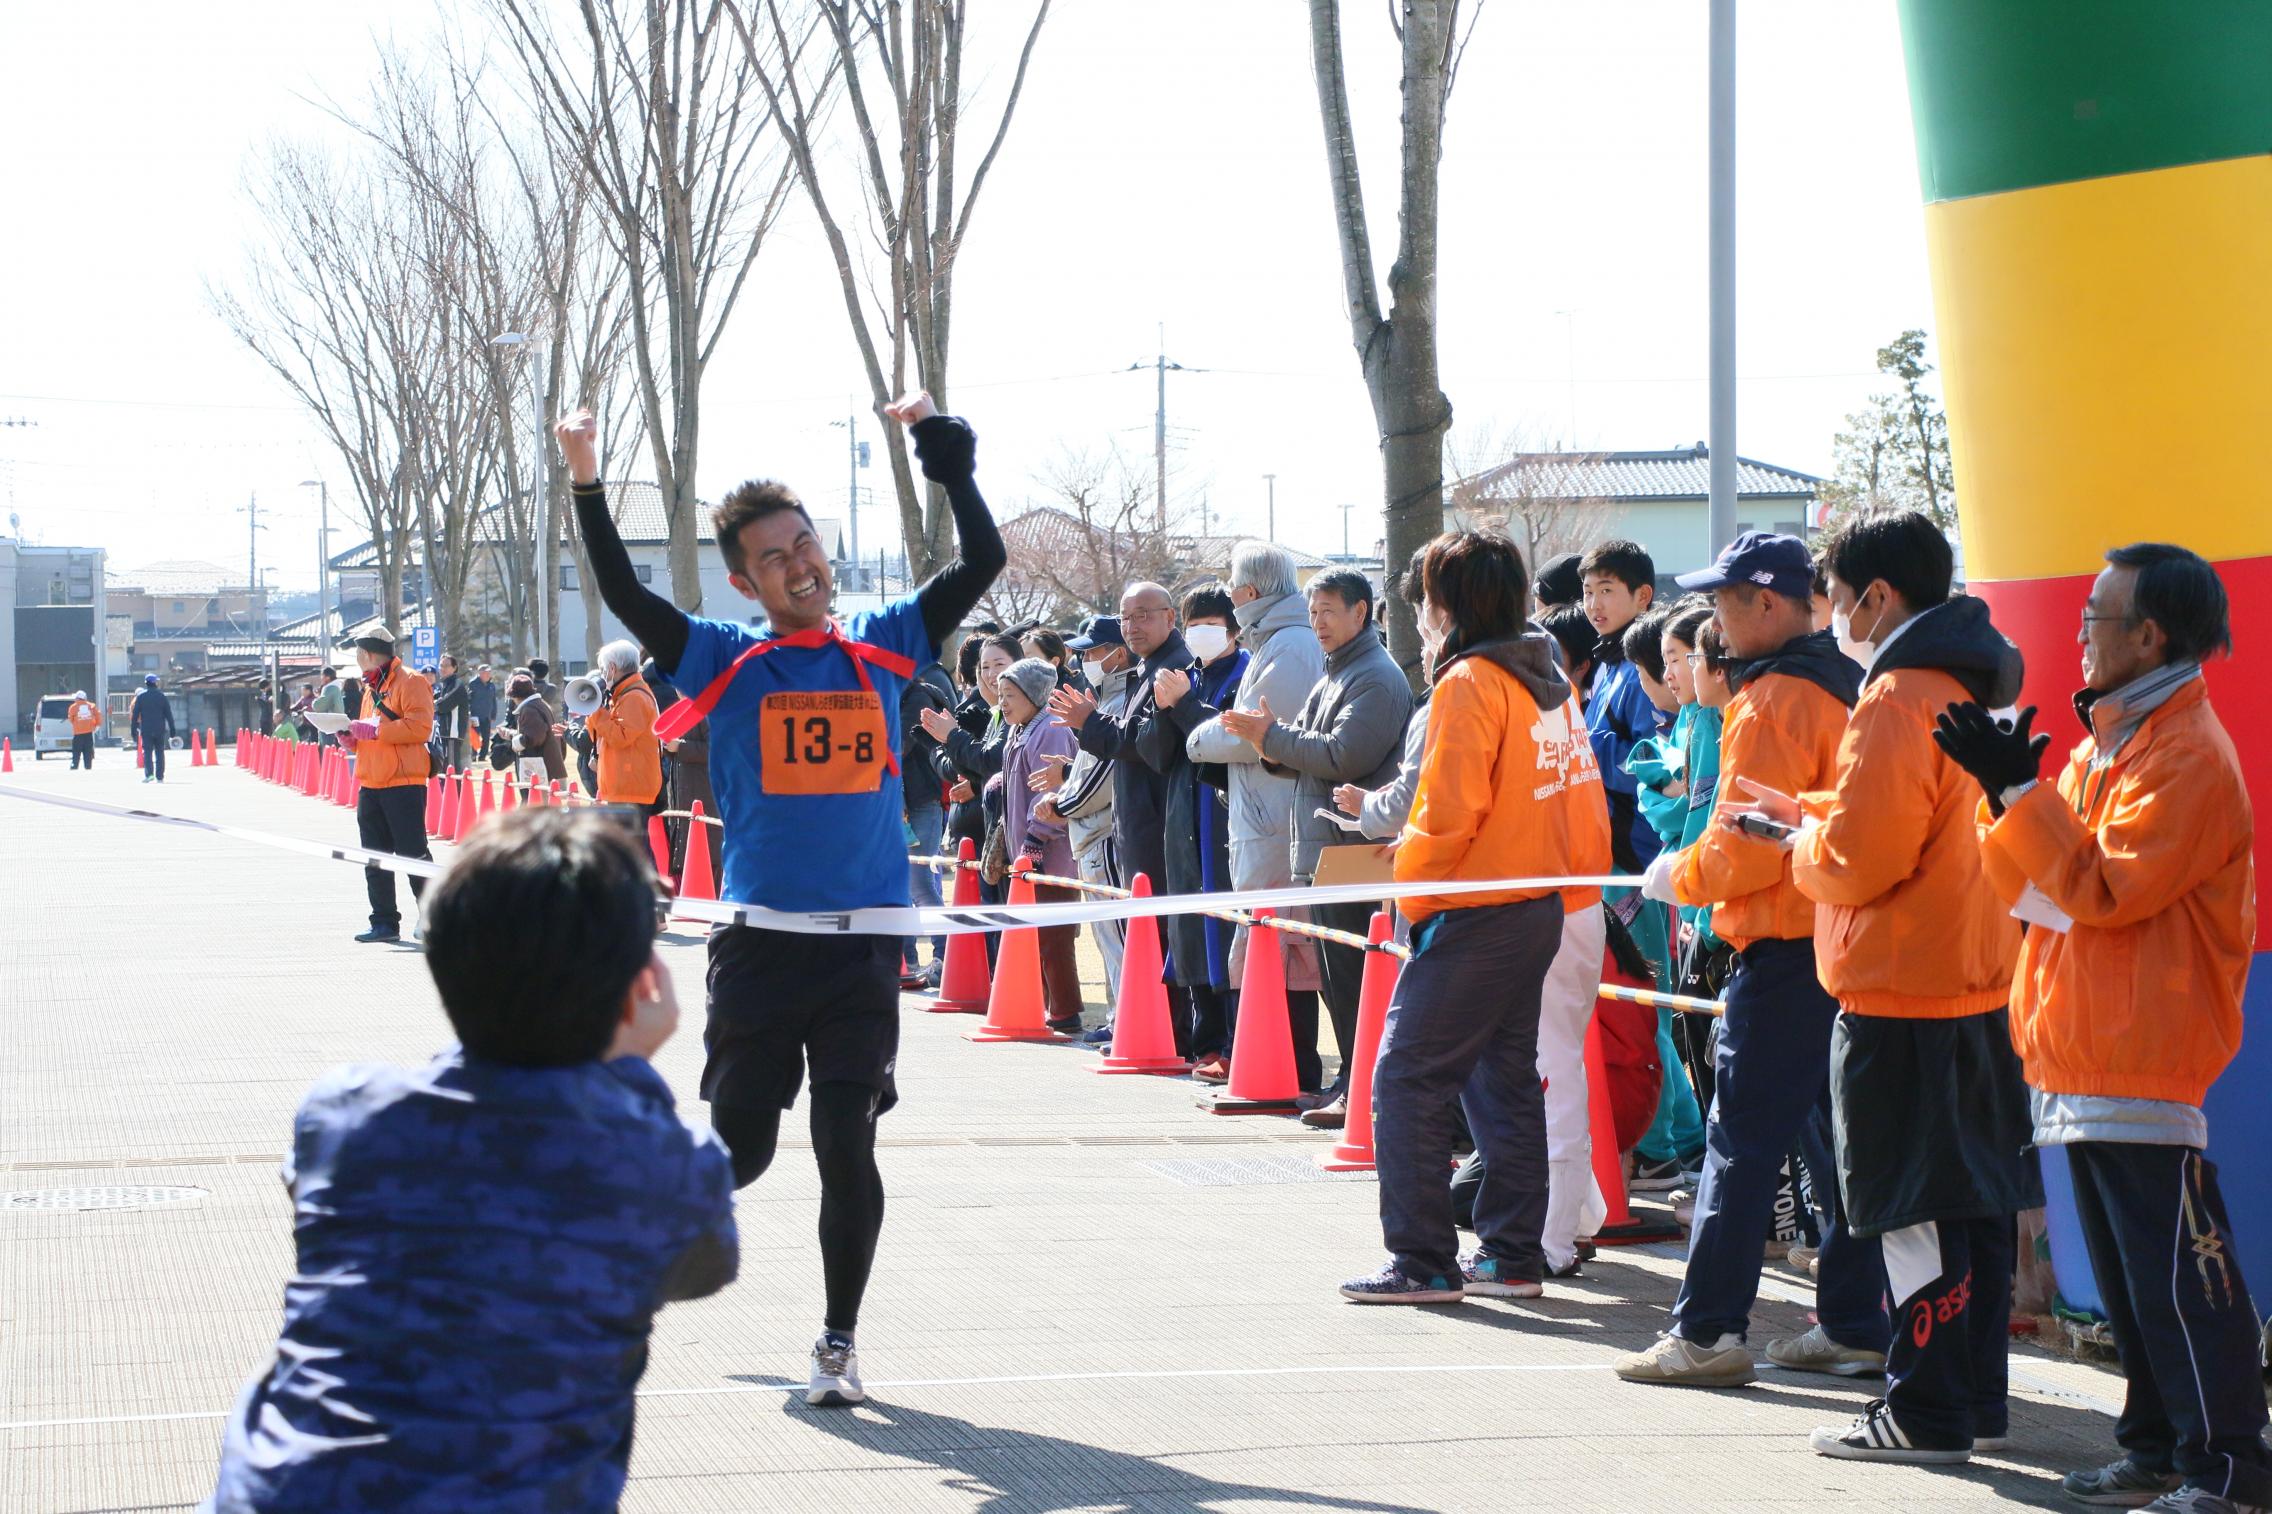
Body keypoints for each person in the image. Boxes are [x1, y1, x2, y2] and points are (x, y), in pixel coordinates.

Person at [556, 386, 1001, 1407]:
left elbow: (980, 562)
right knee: (743, 1148)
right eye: (775, 556)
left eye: (806, 544)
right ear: (743, 577)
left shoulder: (886, 640)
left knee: (848, 1139)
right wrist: (586, 477)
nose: (800, 564)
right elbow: (628, 597)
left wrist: (943, 451)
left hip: (862, 950)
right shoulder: (726, 657)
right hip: (760, 948)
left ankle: (839, 1342)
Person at [205, 808, 737, 1511]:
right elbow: (701, 1266)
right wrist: (624, 1073)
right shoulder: (666, 1165)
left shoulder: (345, 1116)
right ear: (641, 981)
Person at [1944, 543, 2268, 1510]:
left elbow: (2106, 889)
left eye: (2096, 616)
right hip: (2086, 1046)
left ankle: (2230, 1466)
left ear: (2150, 634)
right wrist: (2008, 796)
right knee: (2136, 1286)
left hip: (2142, 1048)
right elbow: (2034, 888)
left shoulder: (2186, 753)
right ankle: (2159, 1445)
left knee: (2179, 1280)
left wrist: (2020, 800)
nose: (2081, 633)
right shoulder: (2111, 742)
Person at [1724, 509, 2039, 1463]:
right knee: (1973, 1206)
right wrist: (1813, 811)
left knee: (1911, 1212)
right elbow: (1920, 818)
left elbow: (1862, 859)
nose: (1834, 614)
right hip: (1974, 975)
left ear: (1877, 596)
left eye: (1837, 594)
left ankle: (1925, 1411)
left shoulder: (1898, 690)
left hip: (1903, 991)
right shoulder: (1966, 675)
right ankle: (1971, 1398)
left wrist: (1798, 843)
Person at [1616, 531, 1890, 1388]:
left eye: (1727, 602)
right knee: (1837, 1145)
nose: (1715, 622)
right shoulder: (1844, 683)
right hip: (1842, 939)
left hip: (1780, 944)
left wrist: (1679, 875)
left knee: (1741, 1145)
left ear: (1768, 603)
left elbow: (1744, 843)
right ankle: (1852, 1321)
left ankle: (1707, 1331)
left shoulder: (1771, 698)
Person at [1340, 530, 1610, 1303]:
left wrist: (1411, 878)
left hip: (1474, 904)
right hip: (1537, 900)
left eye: (1426, 597)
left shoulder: (1471, 682)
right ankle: (1511, 1254)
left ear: (1447, 604)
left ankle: (1424, 1259)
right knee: (1505, 1082)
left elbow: (1449, 810)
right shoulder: (1545, 675)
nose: (1421, 614)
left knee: (1407, 1080)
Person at [1217, 568, 1412, 1119]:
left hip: (1357, 851)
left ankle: (1362, 1090)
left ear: (1361, 612)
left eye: (1329, 610)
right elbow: (1305, 753)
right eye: (1313, 611)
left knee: (1356, 976)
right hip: (1326, 848)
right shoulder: (1335, 674)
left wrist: (1271, 739)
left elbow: (1342, 755)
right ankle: (1351, 1081)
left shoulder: (1375, 675)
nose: (1318, 622)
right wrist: (1273, 743)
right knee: (1338, 976)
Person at [1187, 542, 1329, 1085]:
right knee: (1269, 940)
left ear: (1249, 592)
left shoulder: (1288, 648)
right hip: (1263, 816)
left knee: (1280, 942)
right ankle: (1267, 1062)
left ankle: (1289, 1068)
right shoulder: (1278, 640)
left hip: (1276, 819)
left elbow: (1255, 731)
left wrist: (1198, 738)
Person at [1048, 583, 1198, 1056]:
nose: (1134, 626)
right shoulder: (1145, 670)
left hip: (1158, 826)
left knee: (1157, 935)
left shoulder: (1173, 669)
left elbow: (1152, 746)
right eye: (1126, 617)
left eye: (1144, 616)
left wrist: (1091, 724)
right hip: (1138, 826)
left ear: (1170, 618)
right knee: (1142, 934)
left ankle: (1166, 1034)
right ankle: (1149, 1028)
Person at [1618, 603, 1708, 1188]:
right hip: (1691, 898)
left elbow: (1693, 811)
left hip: (1710, 904)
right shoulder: (1685, 722)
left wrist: (1660, 795)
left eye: (1679, 659)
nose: (1671, 674)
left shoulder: (1714, 723)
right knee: (1683, 1032)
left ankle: (1672, 1149)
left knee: (1661, 1016)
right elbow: (1664, 794)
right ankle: (1683, 1148)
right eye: (1670, 661)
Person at [1144, 585, 1249, 1066]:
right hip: (1183, 818)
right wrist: (1165, 709)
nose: (1202, 635)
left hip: (1225, 815)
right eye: (1194, 626)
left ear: (1233, 628)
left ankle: (1231, 1043)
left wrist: (1185, 706)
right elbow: (1155, 753)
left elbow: (1227, 737)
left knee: (1224, 930)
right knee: (1189, 928)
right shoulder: (1179, 676)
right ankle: (1203, 1041)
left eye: (1211, 625)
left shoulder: (1245, 674)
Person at [1037, 616, 1133, 1032]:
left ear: (1119, 652)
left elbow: (1106, 774)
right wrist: (1070, 776)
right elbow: (1091, 766)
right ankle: (1118, 1017)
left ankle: (1127, 1019)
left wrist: (1063, 803)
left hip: (1103, 833)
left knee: (1118, 938)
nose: (1086, 659)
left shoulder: (1118, 698)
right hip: (1090, 833)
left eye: (1094, 651)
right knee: (1107, 938)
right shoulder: (1102, 696)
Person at [997, 656, 1085, 1032]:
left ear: (1034, 695)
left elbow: (1050, 792)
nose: (1002, 703)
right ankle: (1050, 1004)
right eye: (1000, 695)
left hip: (1052, 854)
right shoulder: (1019, 730)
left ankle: (1065, 1012)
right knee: (1036, 937)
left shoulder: (1050, 728)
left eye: (1010, 694)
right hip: (1028, 853)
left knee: (1053, 938)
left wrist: (1035, 839)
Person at [337, 629, 435, 945]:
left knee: (412, 853)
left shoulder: (411, 681)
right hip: (371, 780)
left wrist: (375, 731)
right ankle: (383, 922)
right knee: (373, 856)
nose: (356, 660)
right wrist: (352, 738)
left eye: (357, 654)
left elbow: (420, 728)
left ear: (367, 654)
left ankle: (434, 917)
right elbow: (372, 734)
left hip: (404, 781)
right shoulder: (370, 688)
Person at [1580, 540, 1665, 874]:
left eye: (1606, 590)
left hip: (1637, 855)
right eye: (1587, 592)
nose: (1593, 604)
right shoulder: (1612, 663)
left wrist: (1588, 747)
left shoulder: (1644, 669)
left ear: (1643, 596)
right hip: (1611, 848)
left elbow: (1660, 764)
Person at [897, 650, 958, 989]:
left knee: (919, 883)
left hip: (921, 801)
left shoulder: (919, 695)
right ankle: (905, 961)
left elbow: (897, 745)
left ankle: (944, 956)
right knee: (896, 886)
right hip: (891, 803)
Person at [585, 639, 665, 819]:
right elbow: (598, 736)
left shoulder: (634, 697)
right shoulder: (625, 695)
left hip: (630, 788)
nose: (603, 674)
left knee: (632, 846)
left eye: (604, 669)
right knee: (632, 845)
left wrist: (596, 712)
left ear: (612, 668)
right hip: (626, 786)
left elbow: (620, 737)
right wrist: (594, 711)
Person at [509, 673, 567, 791]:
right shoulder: (540, 705)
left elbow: (535, 737)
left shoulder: (529, 709)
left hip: (542, 769)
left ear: (516, 695)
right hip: (551, 765)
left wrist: (516, 741)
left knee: (541, 805)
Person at [130, 673, 174, 782]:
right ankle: (160, 777)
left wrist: (133, 729)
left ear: (146, 683)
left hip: (146, 729)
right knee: (160, 752)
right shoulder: (161, 696)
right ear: (155, 683)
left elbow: (135, 715)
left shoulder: (141, 697)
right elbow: (168, 714)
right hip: (160, 728)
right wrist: (172, 728)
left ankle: (149, 775)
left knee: (148, 752)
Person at [430, 655, 470, 773]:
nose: (443, 668)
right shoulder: (444, 685)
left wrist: (429, 705)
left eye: (447, 666)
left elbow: (443, 705)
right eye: (441, 665)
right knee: (444, 767)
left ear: (454, 668)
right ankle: (447, 791)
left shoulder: (457, 685)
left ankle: (456, 792)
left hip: (452, 733)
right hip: (444, 733)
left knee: (451, 768)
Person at [1021, 625, 1085, 692]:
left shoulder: (1071, 695)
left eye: (1029, 659)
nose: (1020, 664)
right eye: (1020, 657)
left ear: (1054, 662)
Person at [468, 662, 500, 750]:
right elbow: (468, 700)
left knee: (486, 737)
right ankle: (473, 754)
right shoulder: (473, 684)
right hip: (475, 716)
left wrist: (493, 714)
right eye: (486, 672)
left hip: (487, 716)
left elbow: (493, 700)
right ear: (480, 673)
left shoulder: (491, 685)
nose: (488, 675)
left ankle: (483, 755)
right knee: (475, 736)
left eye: (489, 672)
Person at [66, 689, 100, 770]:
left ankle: (74, 767)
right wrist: (96, 725)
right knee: (88, 754)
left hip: (77, 734)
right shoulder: (92, 706)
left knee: (76, 754)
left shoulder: (73, 707)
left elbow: (71, 719)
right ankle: (88, 768)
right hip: (89, 734)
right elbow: (98, 715)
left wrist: (77, 723)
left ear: (78, 698)